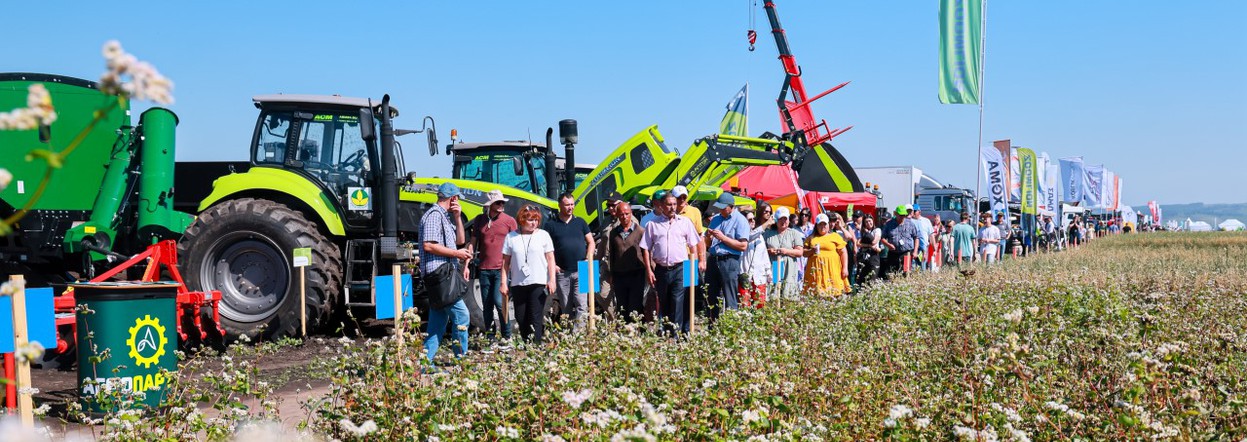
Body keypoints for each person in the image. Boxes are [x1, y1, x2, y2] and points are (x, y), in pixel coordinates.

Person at [419, 182, 472, 363]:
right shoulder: (434, 216)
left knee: (437, 322)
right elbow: (429, 245)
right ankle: (460, 360)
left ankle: (425, 362)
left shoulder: (445, 216)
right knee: (462, 316)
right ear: (453, 198)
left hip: (442, 275)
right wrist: (457, 254)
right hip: (440, 275)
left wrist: (458, 217)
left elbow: (460, 241)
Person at [639, 190, 702, 336]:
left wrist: (694, 265)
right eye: (669, 204)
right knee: (664, 301)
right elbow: (646, 248)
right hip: (661, 269)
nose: (673, 207)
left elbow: (693, 244)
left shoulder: (685, 223)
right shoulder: (652, 225)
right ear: (661, 205)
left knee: (677, 301)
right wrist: (649, 270)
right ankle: (667, 332)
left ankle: (676, 334)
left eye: (674, 204)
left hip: (680, 268)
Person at [500, 205, 556, 345]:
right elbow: (505, 262)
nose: (534, 223)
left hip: (538, 281)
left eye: (536, 220)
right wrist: (503, 282)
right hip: (518, 283)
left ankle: (536, 346)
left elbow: (550, 258)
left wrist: (552, 280)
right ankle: (526, 343)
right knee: (520, 316)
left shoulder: (543, 235)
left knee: (535, 316)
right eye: (530, 220)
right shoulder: (511, 237)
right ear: (522, 220)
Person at [465, 189, 517, 342]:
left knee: (499, 302)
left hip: (502, 269)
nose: (501, 205)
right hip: (484, 269)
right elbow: (473, 244)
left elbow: (516, 244)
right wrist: (467, 264)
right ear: (490, 205)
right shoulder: (479, 220)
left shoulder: (509, 221)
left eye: (502, 202)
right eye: (498, 203)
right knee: (487, 305)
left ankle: (507, 335)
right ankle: (491, 337)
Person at [545, 193, 595, 332]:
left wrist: (588, 257)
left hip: (582, 269)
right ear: (560, 205)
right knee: (566, 305)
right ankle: (567, 332)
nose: (570, 207)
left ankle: (578, 334)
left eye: (572, 204)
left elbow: (591, 242)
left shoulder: (581, 222)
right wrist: (553, 265)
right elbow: (545, 248)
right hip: (562, 272)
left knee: (582, 303)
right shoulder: (551, 225)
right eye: (567, 205)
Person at [704, 192, 749, 321]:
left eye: (723, 207)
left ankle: (731, 327)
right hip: (713, 259)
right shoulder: (716, 219)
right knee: (711, 295)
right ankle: (713, 326)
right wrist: (708, 236)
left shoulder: (740, 220)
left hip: (729, 260)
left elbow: (743, 246)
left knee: (730, 296)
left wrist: (723, 238)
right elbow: (708, 244)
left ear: (731, 206)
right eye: (720, 207)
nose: (720, 210)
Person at [600, 200, 646, 322]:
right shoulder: (614, 233)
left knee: (635, 305)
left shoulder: (640, 231)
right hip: (619, 274)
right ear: (617, 215)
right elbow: (611, 254)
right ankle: (625, 333)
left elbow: (646, 252)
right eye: (621, 214)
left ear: (631, 213)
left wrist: (650, 270)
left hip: (637, 274)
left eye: (627, 213)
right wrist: (611, 273)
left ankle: (637, 331)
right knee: (622, 306)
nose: (624, 217)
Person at [764, 207, 804, 301]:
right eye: (780, 219)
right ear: (776, 220)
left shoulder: (794, 233)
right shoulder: (768, 233)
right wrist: (769, 251)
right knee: (775, 292)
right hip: (774, 264)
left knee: (787, 294)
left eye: (785, 219)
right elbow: (761, 251)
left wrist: (786, 251)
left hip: (788, 266)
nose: (783, 221)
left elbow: (800, 252)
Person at [804, 213, 849, 296]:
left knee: (835, 293)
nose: (822, 227)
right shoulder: (811, 238)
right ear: (816, 226)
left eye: (824, 224)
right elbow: (804, 253)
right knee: (816, 294)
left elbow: (843, 252)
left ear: (828, 225)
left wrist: (845, 268)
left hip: (833, 269)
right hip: (816, 271)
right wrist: (811, 251)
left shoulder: (835, 236)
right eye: (820, 224)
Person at [739, 206, 771, 308]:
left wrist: (768, 271)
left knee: (760, 304)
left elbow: (764, 255)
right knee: (744, 304)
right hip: (745, 274)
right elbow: (750, 236)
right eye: (749, 220)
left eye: (753, 219)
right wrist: (766, 223)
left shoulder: (760, 236)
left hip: (759, 275)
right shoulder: (741, 235)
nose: (753, 221)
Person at [880, 205, 920, 279]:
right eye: (900, 215)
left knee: (906, 273)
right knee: (892, 274)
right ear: (896, 214)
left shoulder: (910, 224)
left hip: (906, 253)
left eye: (904, 215)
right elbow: (882, 238)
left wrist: (915, 251)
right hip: (893, 253)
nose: (902, 217)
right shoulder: (889, 224)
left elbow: (916, 237)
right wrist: (888, 245)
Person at [855, 216, 882, 283]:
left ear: (873, 221)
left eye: (870, 221)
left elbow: (874, 242)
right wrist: (869, 246)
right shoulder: (862, 231)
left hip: (873, 256)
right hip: (864, 256)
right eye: (866, 222)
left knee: (872, 277)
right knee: (861, 277)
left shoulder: (877, 230)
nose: (868, 223)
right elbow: (858, 243)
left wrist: (867, 234)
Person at [911, 205, 934, 271]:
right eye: (912, 211)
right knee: (912, 267)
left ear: (919, 212)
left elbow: (931, 235)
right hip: (913, 247)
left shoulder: (926, 221)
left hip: (923, 248)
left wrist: (934, 248)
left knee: (922, 266)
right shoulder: (910, 221)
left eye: (914, 211)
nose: (913, 213)